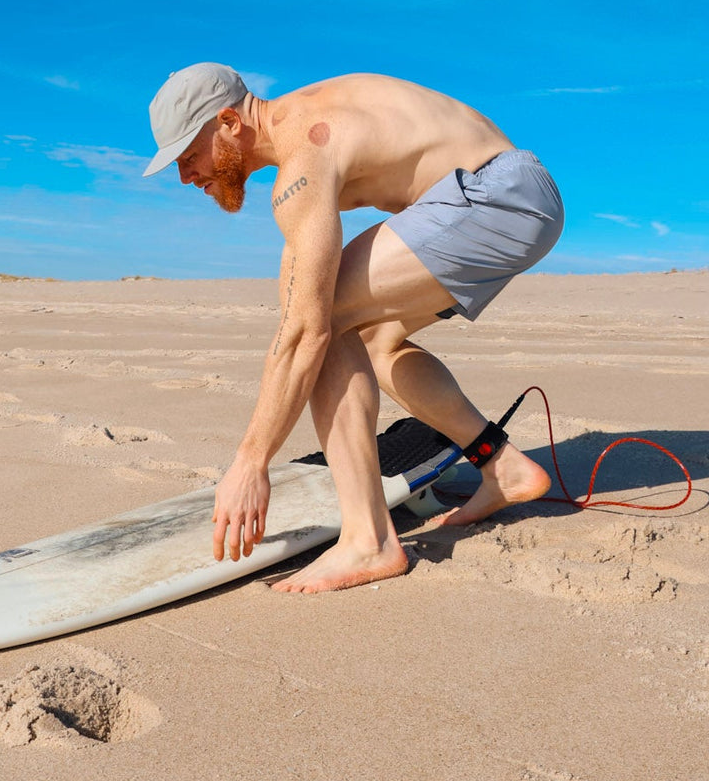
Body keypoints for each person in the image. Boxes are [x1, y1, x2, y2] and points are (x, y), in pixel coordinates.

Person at [142, 62, 564, 594]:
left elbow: (303, 331)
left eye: (188, 156)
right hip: (511, 194)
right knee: (373, 340)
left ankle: (369, 541)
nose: (186, 176)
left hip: (495, 197)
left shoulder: (305, 153)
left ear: (228, 122)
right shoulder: (309, 125)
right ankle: (500, 465)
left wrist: (251, 462)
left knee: (326, 320)